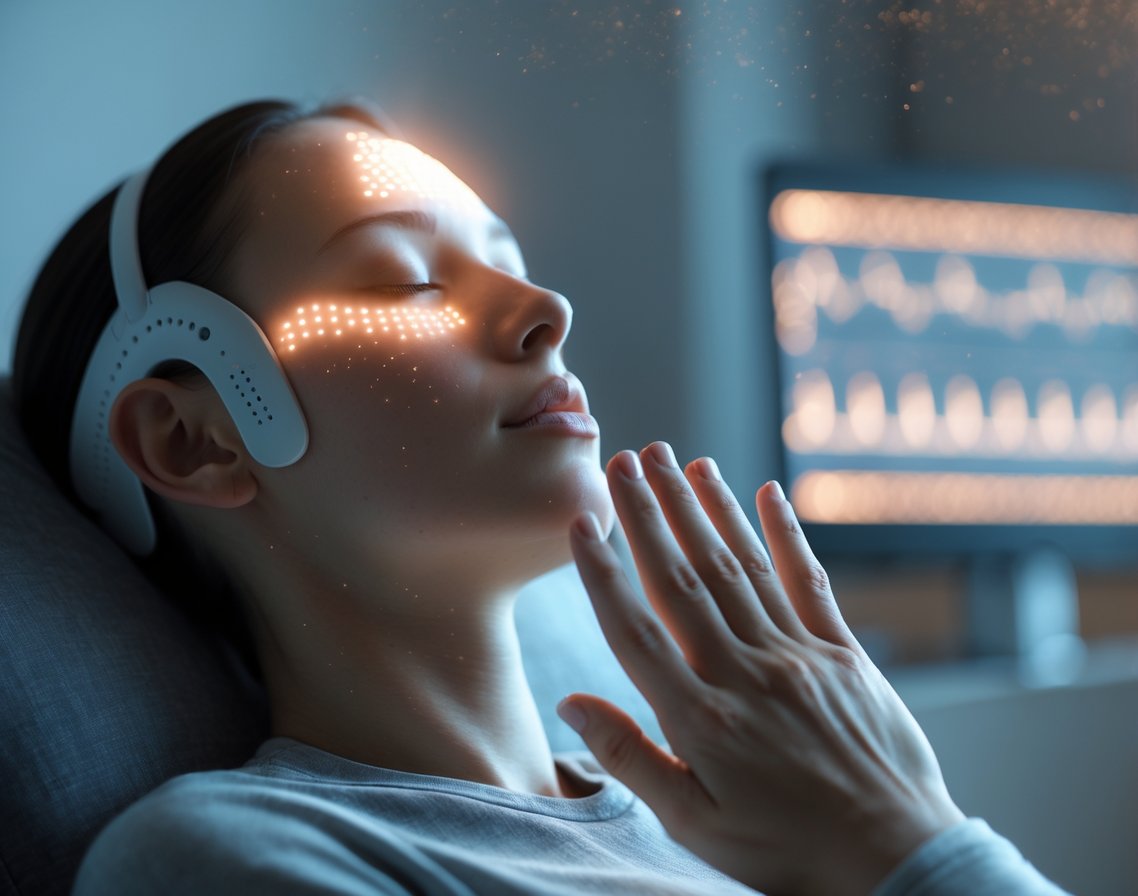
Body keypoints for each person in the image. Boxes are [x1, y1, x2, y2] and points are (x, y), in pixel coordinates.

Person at [12, 98, 1068, 895]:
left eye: (508, 262)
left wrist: (905, 830)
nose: (545, 310)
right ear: (193, 438)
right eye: (405, 281)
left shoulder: (751, 805)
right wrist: (914, 853)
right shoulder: (233, 859)